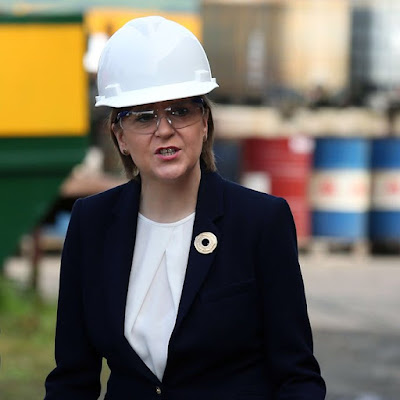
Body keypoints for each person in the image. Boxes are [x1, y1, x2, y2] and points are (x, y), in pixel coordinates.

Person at [44, 16, 326, 400]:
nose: (164, 129)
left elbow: (297, 377)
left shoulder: (259, 221)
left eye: (180, 111)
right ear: (119, 136)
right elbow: (71, 379)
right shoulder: (91, 223)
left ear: (204, 122)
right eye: (143, 116)